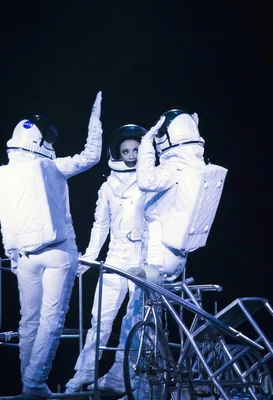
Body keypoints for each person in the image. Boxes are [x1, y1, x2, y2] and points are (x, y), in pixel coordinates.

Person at [87, 109, 228, 395]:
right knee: (142, 321)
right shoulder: (198, 167)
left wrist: (149, 141)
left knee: (139, 322)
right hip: (175, 257)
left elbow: (145, 181)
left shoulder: (172, 169)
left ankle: (141, 389)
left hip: (156, 258)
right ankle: (123, 379)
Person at [0, 91, 103, 399]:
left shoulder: (6, 173)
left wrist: (12, 255)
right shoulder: (53, 167)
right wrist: (95, 120)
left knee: (29, 321)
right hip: (57, 252)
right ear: (42, 142)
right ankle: (34, 383)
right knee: (50, 321)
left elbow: (6, 218)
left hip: (23, 255)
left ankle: (30, 384)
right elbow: (91, 156)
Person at [63, 124, 148, 394]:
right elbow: (100, 225)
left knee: (134, 322)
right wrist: (89, 257)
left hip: (141, 260)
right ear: (117, 153)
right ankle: (83, 373)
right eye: (126, 151)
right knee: (100, 318)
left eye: (136, 150)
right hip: (115, 257)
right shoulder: (108, 187)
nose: (131, 156)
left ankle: (123, 376)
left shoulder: (152, 181)